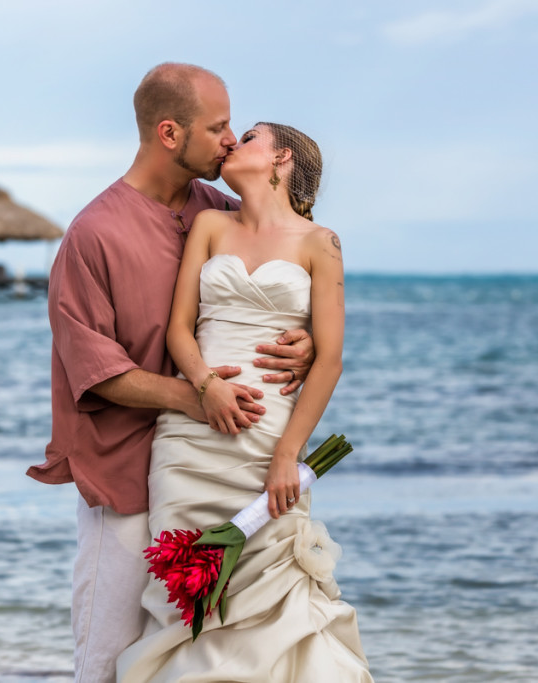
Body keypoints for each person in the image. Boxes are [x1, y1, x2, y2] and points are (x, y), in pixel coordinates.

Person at [26, 63, 316, 683]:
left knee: (204, 657)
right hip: (126, 474)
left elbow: (284, 280)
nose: (231, 140)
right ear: (167, 133)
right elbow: (94, 369)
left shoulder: (219, 209)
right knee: (107, 659)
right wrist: (195, 395)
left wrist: (306, 343)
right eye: (217, 128)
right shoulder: (92, 234)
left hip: (216, 472)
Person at [116, 122, 372, 682]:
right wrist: (207, 387)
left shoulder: (320, 242)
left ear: (281, 157)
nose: (233, 143)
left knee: (273, 586)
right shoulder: (210, 224)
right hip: (191, 443)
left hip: (267, 439)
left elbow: (328, 360)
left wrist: (288, 456)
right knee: (182, 593)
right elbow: (180, 330)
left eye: (249, 136)